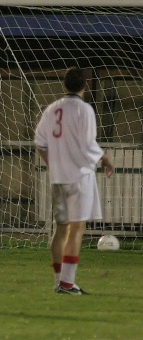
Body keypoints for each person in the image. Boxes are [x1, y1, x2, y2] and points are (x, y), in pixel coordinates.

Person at [34, 67, 114, 295]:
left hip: (58, 178)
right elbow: (89, 144)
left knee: (60, 229)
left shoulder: (52, 109)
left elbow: (40, 142)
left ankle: (59, 281)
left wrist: (54, 163)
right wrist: (106, 158)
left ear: (65, 84)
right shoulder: (84, 110)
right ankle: (67, 284)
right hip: (79, 177)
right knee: (77, 228)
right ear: (85, 85)